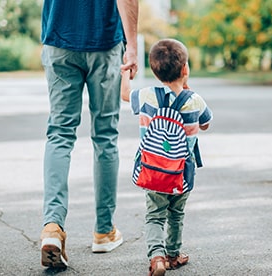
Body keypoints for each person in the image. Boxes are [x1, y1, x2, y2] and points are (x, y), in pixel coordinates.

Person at [39, 0, 139, 268]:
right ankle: (104, 232)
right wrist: (132, 46)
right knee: (105, 136)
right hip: (103, 42)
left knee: (59, 134)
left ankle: (52, 227)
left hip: (59, 38)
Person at [120, 39, 213, 276]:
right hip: (182, 172)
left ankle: (157, 256)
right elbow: (206, 124)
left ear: (154, 71)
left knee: (154, 214)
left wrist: (125, 72)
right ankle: (173, 254)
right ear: (185, 69)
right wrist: (187, 88)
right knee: (176, 213)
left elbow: (124, 95)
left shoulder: (146, 95)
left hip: (152, 170)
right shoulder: (195, 100)